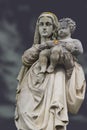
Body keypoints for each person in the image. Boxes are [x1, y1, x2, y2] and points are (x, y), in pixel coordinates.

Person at [15, 12, 86, 130]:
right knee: (24, 111)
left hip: (53, 78)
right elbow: (26, 59)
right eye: (41, 24)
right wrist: (41, 47)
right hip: (32, 78)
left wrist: (57, 49)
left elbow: (71, 59)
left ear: (54, 28)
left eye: (48, 24)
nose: (44, 27)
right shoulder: (37, 47)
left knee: (50, 115)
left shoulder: (60, 45)